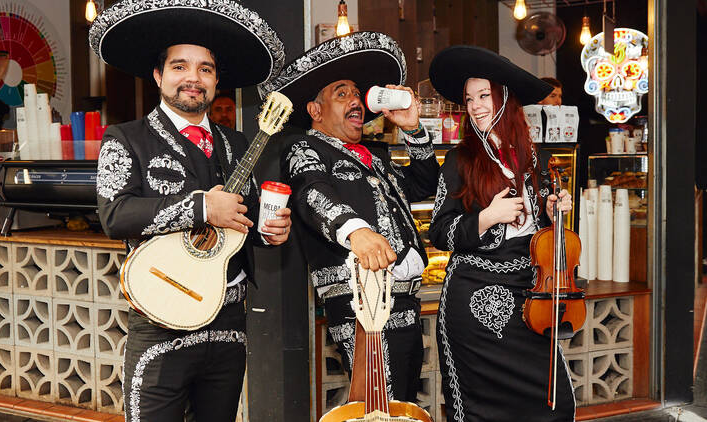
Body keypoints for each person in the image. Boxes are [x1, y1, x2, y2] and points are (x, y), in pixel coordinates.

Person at [89, 2, 289, 421]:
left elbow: (242, 221)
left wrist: (269, 231)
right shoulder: (124, 139)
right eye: (180, 66)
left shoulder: (237, 144)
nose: (193, 79)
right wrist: (202, 206)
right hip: (161, 313)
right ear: (159, 76)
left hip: (230, 316)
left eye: (206, 69)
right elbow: (114, 215)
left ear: (216, 81)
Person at [260, 31, 439, 402]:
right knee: (375, 404)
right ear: (315, 111)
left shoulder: (376, 155)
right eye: (341, 93)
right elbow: (312, 193)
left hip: (406, 300)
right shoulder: (304, 148)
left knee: (403, 403)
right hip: (362, 301)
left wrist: (413, 130)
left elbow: (426, 186)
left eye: (357, 93)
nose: (356, 101)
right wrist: (356, 231)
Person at [428, 46, 574, 421]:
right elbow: (440, 233)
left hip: (531, 299)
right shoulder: (459, 160)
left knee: (553, 404)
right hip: (474, 301)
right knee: (480, 411)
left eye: (484, 96)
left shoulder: (535, 158)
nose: (475, 106)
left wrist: (554, 211)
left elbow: (545, 234)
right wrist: (487, 218)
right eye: (469, 99)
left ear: (505, 99)